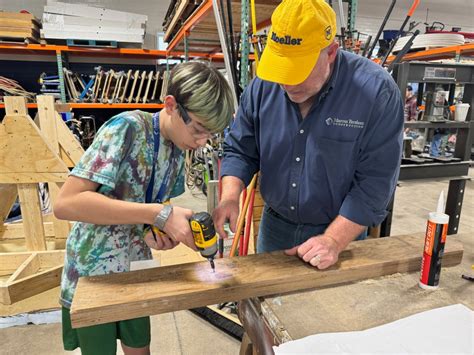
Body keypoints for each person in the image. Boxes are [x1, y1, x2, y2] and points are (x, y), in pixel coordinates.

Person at [54, 61, 234, 355]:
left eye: (209, 135)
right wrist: (157, 215)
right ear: (172, 105)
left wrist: (156, 231)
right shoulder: (126, 129)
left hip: (136, 267)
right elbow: (66, 203)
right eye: (199, 129)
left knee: (139, 348)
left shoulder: (178, 149)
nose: (202, 142)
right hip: (94, 271)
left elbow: (152, 205)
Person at [213, 0, 404, 270]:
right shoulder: (263, 86)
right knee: (269, 304)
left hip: (340, 230)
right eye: (283, 69)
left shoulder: (376, 92)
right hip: (274, 226)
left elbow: (375, 183)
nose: (288, 82)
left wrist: (334, 241)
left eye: (299, 70)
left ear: (331, 53)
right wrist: (230, 197)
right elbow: (241, 149)